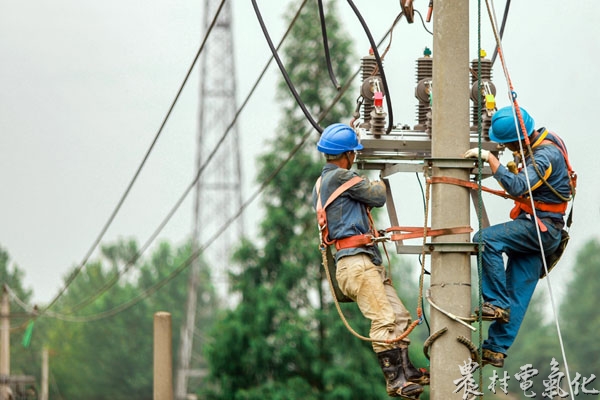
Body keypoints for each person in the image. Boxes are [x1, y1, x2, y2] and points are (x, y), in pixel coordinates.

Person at [313, 123, 429, 398]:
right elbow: (377, 196)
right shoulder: (340, 178)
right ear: (348, 154)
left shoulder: (324, 182)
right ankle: (395, 380)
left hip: (362, 262)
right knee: (384, 318)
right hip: (356, 263)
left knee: (399, 316)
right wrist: (381, 178)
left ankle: (406, 370)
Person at [463, 106, 573, 368]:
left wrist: (491, 160)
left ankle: (496, 303)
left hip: (541, 229)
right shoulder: (546, 141)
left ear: (520, 138)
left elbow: (517, 186)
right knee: (519, 293)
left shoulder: (544, 156)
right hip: (545, 229)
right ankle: (495, 349)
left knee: (485, 239)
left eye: (509, 144)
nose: (509, 149)